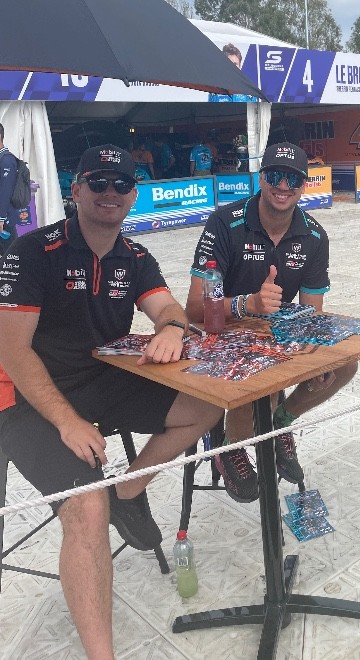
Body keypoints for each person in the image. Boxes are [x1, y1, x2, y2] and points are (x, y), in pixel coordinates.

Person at [0, 145, 223, 658]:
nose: (110, 192)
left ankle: (129, 489)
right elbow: (12, 352)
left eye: (121, 184)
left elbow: (168, 308)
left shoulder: (135, 256)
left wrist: (171, 329)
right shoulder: (33, 252)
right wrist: (67, 422)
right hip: (26, 397)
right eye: (98, 182)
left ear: (133, 194)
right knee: (85, 506)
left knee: (206, 405)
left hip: (99, 378)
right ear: (76, 190)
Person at [185, 142, 357, 503]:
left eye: (293, 179)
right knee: (256, 369)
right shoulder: (224, 222)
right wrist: (247, 304)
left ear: (304, 185)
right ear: (261, 178)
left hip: (275, 334)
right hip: (221, 333)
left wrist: (318, 360)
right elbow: (194, 309)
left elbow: (312, 315)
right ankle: (230, 446)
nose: (283, 186)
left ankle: (281, 422)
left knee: (344, 364)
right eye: (275, 176)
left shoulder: (314, 235)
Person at [0, 122, 20, 254]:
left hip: (5, 218)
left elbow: (5, 191)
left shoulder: (6, 160)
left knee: (10, 255)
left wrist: (1, 218)